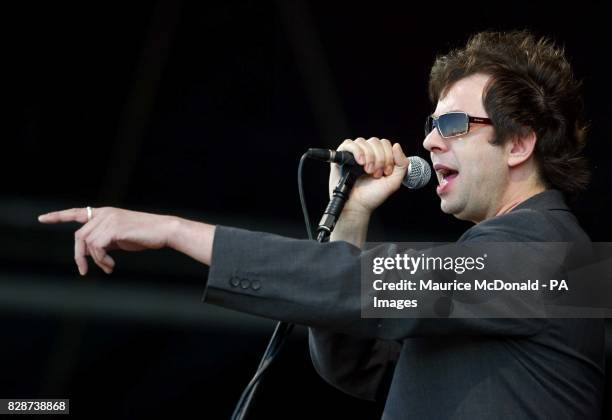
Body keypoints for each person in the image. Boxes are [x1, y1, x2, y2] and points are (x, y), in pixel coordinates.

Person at [38, 31, 604, 419]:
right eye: (430, 123)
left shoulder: (562, 266)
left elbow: (353, 287)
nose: (429, 140)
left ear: (520, 143)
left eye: (453, 123)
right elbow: (356, 365)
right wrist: (352, 212)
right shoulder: (495, 272)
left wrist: (171, 230)